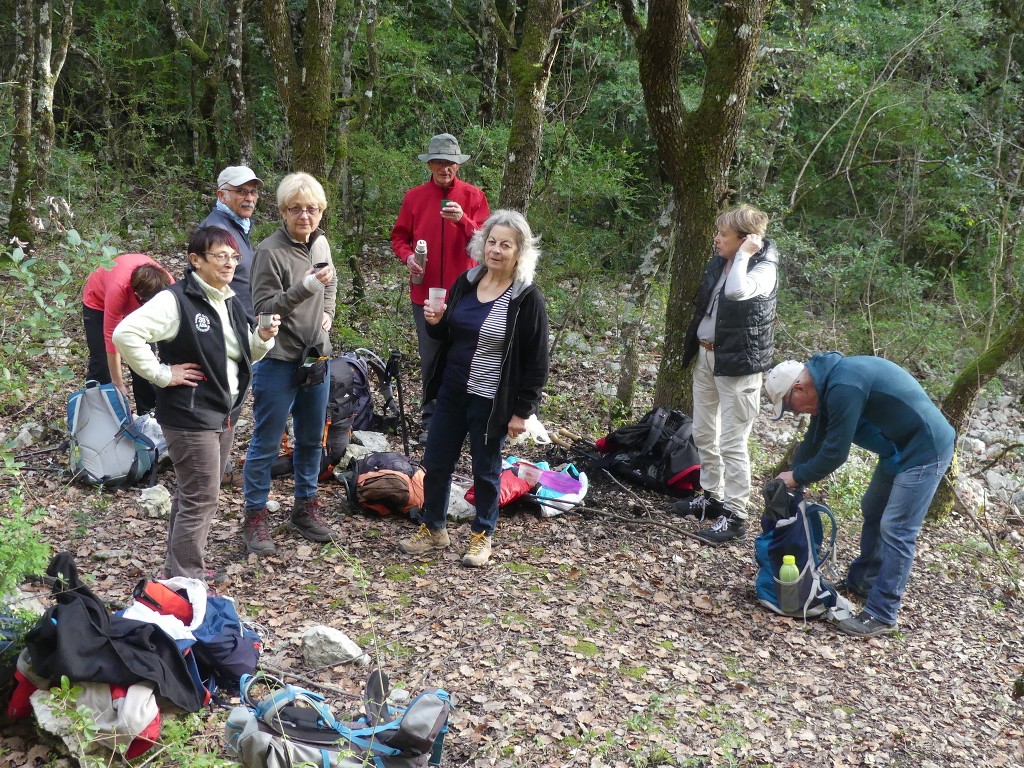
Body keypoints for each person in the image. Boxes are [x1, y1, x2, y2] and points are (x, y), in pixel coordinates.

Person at [112, 226, 277, 581]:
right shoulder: (176, 300)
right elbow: (125, 334)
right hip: (189, 415)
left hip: (223, 412)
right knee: (201, 498)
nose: (229, 263)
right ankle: (188, 580)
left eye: (233, 256)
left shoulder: (228, 299)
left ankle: (179, 572)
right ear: (195, 260)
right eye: (219, 256)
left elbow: (244, 353)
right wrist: (161, 374)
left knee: (194, 495)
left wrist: (261, 339)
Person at [765, 353, 955, 637]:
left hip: (925, 449)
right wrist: (793, 479)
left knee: (897, 527)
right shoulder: (827, 384)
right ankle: (864, 581)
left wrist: (798, 476)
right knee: (873, 509)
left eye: (790, 406)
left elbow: (835, 452)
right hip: (896, 450)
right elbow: (815, 440)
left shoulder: (844, 386)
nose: (795, 413)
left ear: (799, 388)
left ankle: (883, 613)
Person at [398, 210, 549, 568]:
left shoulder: (526, 298)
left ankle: (483, 535)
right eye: (492, 242)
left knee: (486, 468)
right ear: (482, 244)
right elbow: (448, 336)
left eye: (506, 245)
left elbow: (536, 361)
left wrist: (522, 411)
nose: (496, 250)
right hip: (452, 390)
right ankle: (433, 527)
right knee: (435, 462)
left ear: (520, 252)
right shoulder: (466, 281)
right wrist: (436, 324)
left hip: (491, 399)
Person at [241, 172, 338, 555]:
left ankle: (305, 506)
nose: (304, 216)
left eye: (312, 209)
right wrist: (306, 289)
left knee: (312, 438)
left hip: (317, 355)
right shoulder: (269, 251)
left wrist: (327, 310)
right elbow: (263, 308)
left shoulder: (321, 244)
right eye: (296, 209)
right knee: (266, 441)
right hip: (279, 358)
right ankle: (254, 516)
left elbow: (330, 281)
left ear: (321, 212)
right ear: (283, 211)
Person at [676, 204, 779, 544]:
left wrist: (745, 256)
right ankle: (711, 497)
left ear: (746, 239)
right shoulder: (721, 261)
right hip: (707, 359)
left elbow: (737, 292)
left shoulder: (763, 269)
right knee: (704, 433)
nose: (716, 239)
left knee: (732, 442)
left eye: (723, 234)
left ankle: (735, 515)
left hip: (739, 368)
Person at [390, 133, 491, 438]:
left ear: (457, 165)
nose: (444, 168)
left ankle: (463, 417)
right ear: (430, 164)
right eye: (439, 162)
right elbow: (399, 238)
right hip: (426, 292)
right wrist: (408, 257)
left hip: (467, 292)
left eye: (450, 163)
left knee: (466, 354)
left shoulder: (474, 197)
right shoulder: (414, 197)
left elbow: (487, 243)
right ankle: (431, 419)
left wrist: (463, 221)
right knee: (432, 355)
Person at [82, 253, 174, 414]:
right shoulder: (118, 288)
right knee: (101, 360)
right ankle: (102, 413)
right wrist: (118, 383)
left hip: (138, 300)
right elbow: (111, 339)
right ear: (137, 294)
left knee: (144, 358)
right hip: (99, 302)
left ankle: (148, 413)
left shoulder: (169, 284)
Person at [200, 165, 264, 326]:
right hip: (229, 332)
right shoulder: (216, 232)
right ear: (222, 196)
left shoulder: (238, 226)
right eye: (242, 191)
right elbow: (207, 291)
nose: (249, 198)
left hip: (246, 328)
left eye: (253, 192)